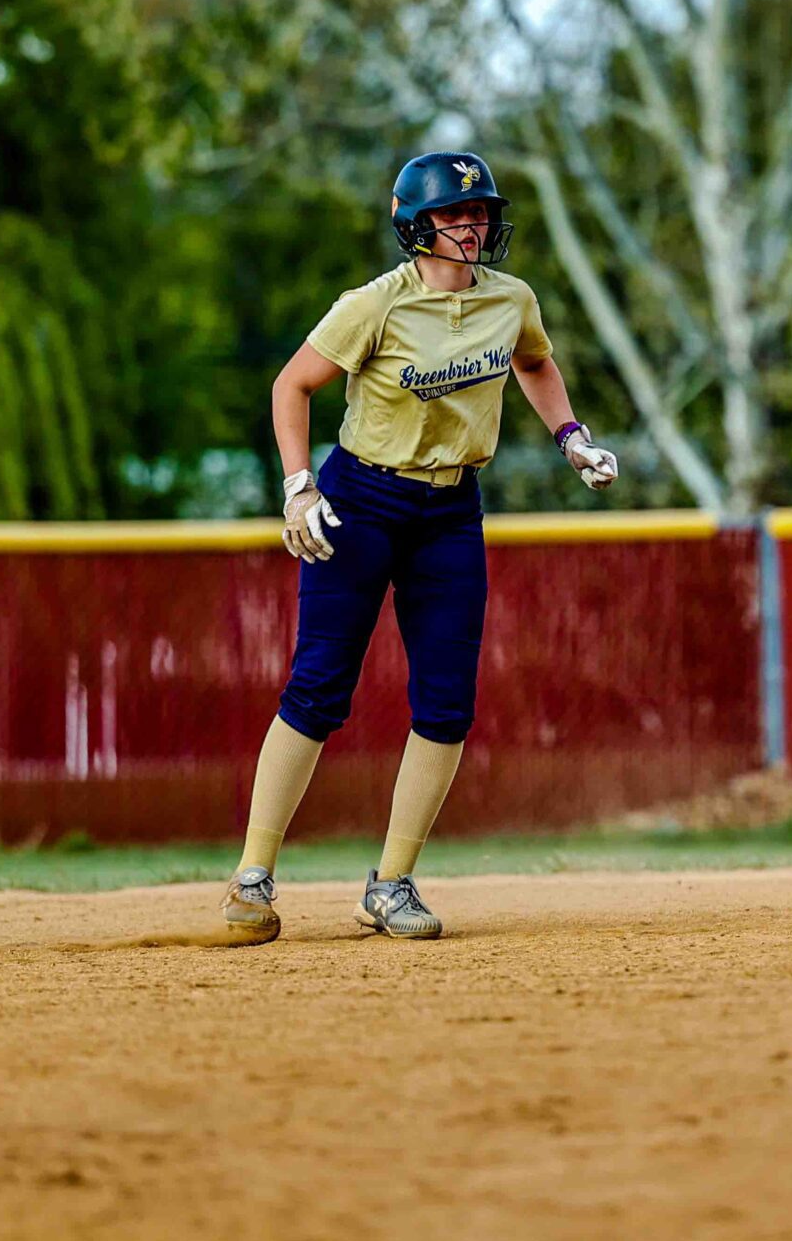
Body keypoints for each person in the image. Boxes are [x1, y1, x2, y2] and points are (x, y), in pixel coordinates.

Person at [219, 152, 620, 941]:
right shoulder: (376, 304)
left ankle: (392, 884)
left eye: (480, 211)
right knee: (318, 687)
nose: (473, 224)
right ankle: (253, 875)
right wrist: (299, 486)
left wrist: (571, 437)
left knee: (446, 702)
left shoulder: (511, 299)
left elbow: (535, 362)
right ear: (415, 224)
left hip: (451, 510)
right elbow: (291, 384)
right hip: (363, 499)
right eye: (454, 214)